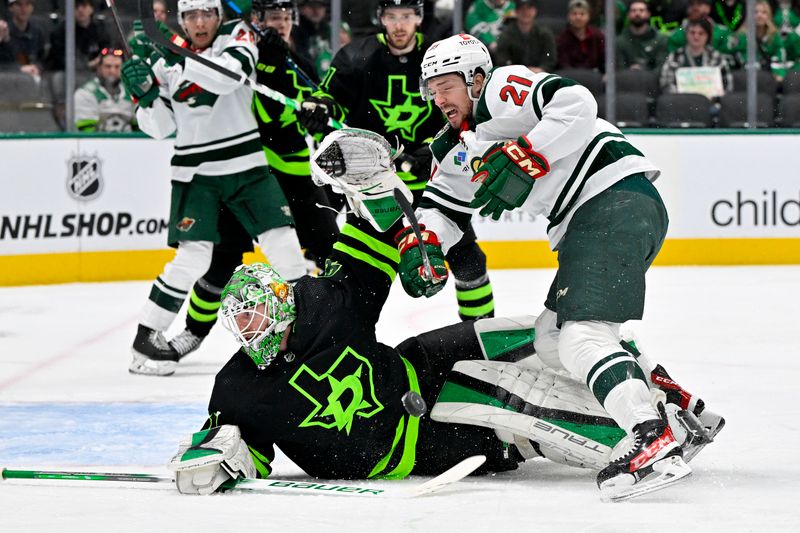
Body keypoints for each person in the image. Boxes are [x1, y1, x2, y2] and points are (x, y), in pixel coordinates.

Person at [165, 129, 723, 497]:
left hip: (411, 369)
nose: (260, 328)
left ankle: (670, 396)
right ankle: (639, 432)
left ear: (284, 302)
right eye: (246, 324)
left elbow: (367, 253)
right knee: (515, 399)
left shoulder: (318, 306)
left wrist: (374, 190)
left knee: (536, 336)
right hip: (409, 439)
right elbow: (241, 445)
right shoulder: (236, 387)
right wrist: (214, 458)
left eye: (266, 313)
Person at [412, 32, 690, 496]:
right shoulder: (453, 147)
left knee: (583, 335)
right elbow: (443, 211)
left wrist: (529, 154)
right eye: (431, 89)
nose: (438, 99)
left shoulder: (503, 88)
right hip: (602, 214)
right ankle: (674, 401)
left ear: (476, 78)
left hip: (609, 199)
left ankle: (650, 433)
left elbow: (577, 103)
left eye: (447, 86)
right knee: (552, 337)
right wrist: (421, 247)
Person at [121, 0, 308, 376]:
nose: (200, 22)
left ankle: (309, 330)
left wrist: (174, 53)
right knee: (193, 259)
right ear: (182, 19)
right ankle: (147, 336)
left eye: (207, 13)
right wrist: (143, 95)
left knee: (285, 248)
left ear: (218, 16)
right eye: (191, 16)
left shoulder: (235, 36)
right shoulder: (165, 59)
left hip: (247, 167)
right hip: (196, 173)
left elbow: (227, 77)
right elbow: (159, 127)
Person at [298, 0, 497, 322]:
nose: (400, 25)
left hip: (434, 187)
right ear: (381, 19)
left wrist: (434, 148)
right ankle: (347, 342)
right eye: (392, 17)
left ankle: (480, 335)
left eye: (406, 16)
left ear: (418, 17)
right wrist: (319, 108)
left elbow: (463, 113)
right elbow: (329, 97)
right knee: (361, 277)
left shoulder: (435, 59)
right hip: (376, 189)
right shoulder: (356, 56)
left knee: (469, 262)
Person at [164, 0, 341, 360]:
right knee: (219, 266)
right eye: (272, 17)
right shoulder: (243, 58)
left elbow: (322, 108)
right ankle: (193, 333)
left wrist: (321, 117)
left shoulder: (300, 63)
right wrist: (270, 65)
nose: (280, 23)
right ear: (257, 22)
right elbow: (267, 115)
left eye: (285, 17)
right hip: (251, 179)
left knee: (332, 254)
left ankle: (331, 330)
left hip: (295, 179)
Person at [660, 17, 734, 94]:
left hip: (711, 102)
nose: (696, 36)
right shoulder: (675, 56)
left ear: (708, 36)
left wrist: (718, 96)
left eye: (701, 33)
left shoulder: (716, 56)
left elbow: (728, 84)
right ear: (686, 34)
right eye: (692, 32)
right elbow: (666, 82)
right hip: (682, 102)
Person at [74, 47, 136, 132]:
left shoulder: (133, 91)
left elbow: (141, 126)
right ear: (99, 68)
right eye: (108, 66)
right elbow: (87, 131)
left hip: (132, 143)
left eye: (117, 67)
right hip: (96, 143)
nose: (112, 71)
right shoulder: (85, 93)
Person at [494, 0, 557, 72]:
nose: (526, 12)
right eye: (522, 9)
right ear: (516, 12)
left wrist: (541, 69)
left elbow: (550, 60)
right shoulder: (506, 35)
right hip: (514, 76)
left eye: (529, 8)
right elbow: (502, 60)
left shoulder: (545, 34)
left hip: (540, 75)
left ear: (535, 11)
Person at [732, 0, 787, 81]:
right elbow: (741, 58)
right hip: (746, 79)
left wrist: (778, 72)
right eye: (755, 12)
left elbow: (780, 55)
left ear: (768, 16)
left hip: (769, 78)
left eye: (764, 12)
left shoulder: (774, 36)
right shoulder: (741, 36)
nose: (759, 15)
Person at [667, 0, 737, 58]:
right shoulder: (676, 35)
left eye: (699, 4)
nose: (695, 8)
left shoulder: (723, 33)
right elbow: (671, 61)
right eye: (691, 4)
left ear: (708, 7)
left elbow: (734, 60)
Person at [616, 0, 670, 71]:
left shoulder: (661, 40)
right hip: (627, 80)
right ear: (628, 15)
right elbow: (619, 68)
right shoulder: (619, 41)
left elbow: (661, 67)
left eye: (641, 10)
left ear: (648, 14)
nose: (637, 13)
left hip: (653, 80)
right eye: (633, 10)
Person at [0, 0, 46, 78]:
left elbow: (41, 59)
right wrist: (19, 69)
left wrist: (37, 67)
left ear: (32, 7)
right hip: (7, 78)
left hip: (32, 77)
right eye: (19, 4)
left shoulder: (37, 32)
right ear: (11, 7)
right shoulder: (3, 31)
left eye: (27, 4)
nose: (23, 9)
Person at [556, 0, 606, 72]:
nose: (578, 17)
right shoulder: (562, 39)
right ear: (568, 16)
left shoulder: (598, 36)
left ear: (589, 16)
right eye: (574, 14)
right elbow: (563, 66)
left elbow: (605, 61)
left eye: (582, 14)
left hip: (594, 79)